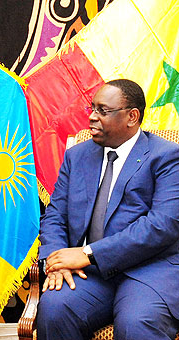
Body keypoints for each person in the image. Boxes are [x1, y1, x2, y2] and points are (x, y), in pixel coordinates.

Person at [37, 79, 179, 339]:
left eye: (103, 111)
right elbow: (55, 215)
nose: (92, 117)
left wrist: (88, 253)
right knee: (54, 309)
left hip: (148, 271)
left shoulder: (167, 157)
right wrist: (56, 260)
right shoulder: (77, 156)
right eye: (92, 109)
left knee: (136, 323)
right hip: (89, 274)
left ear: (132, 116)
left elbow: (161, 225)